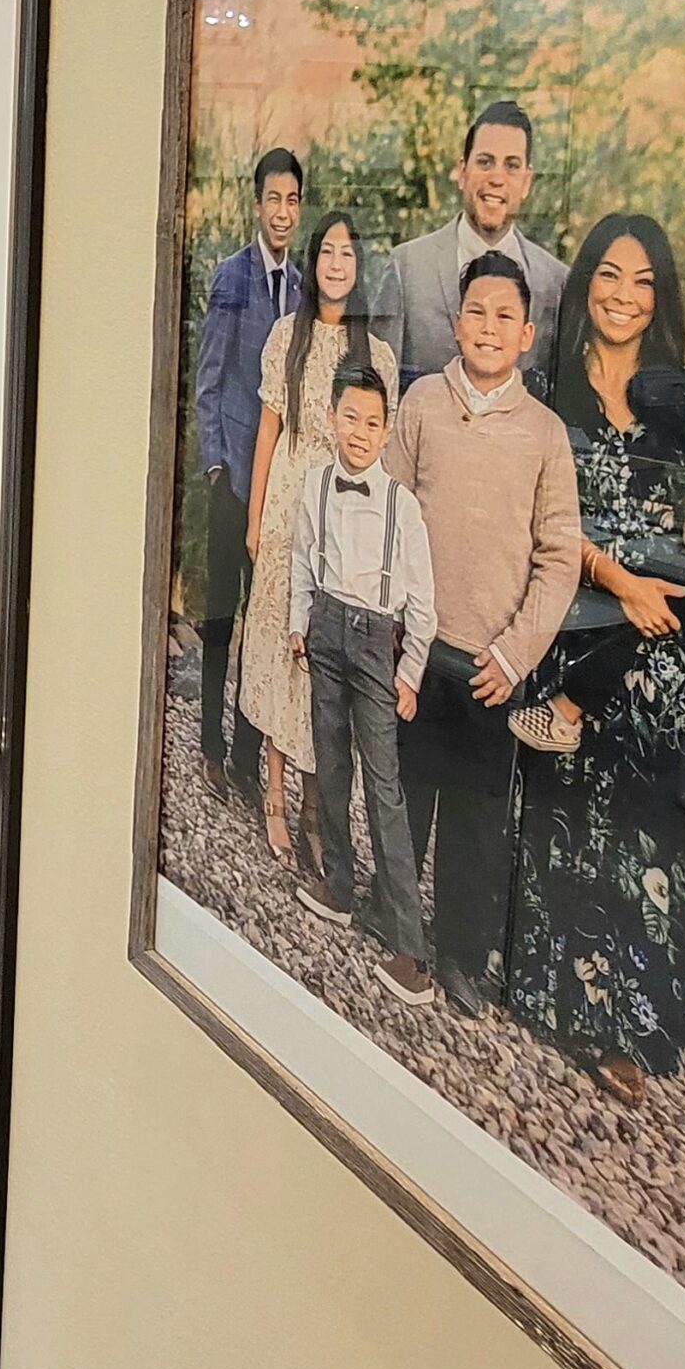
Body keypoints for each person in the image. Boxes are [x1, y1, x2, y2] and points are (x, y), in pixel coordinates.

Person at [505, 215, 685, 1100]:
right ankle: (574, 1005)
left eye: (644, 280)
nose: (624, 294)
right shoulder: (548, 389)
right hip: (585, 614)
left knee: (656, 825)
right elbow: (543, 517)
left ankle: (643, 1017)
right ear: (584, 284)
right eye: (610, 276)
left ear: (662, 296)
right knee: (581, 815)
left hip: (673, 627)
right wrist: (620, 584)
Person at [386, 252, 581, 1017]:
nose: (489, 328)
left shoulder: (545, 434)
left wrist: (514, 652)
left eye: (506, 315)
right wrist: (397, 626)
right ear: (456, 321)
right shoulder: (423, 404)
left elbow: (561, 557)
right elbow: (391, 513)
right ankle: (398, 921)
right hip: (418, 647)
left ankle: (464, 954)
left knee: (474, 815)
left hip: (491, 664)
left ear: (527, 333)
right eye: (477, 312)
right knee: (406, 793)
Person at [236, 213, 398, 873]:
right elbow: (269, 434)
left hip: (345, 527)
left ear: (360, 266)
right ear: (314, 262)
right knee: (280, 656)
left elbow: (380, 458)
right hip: (286, 514)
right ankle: (274, 797)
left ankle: (316, 812)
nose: (337, 262)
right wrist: (255, 520)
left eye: (348, 253)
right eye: (327, 251)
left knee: (323, 667)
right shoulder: (287, 337)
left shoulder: (376, 354)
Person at [287, 365, 437, 1002]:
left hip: (377, 642)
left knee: (384, 786)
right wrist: (299, 623)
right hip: (325, 627)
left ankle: (411, 948)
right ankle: (340, 887)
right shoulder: (316, 487)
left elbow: (423, 605)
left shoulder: (402, 507)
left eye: (373, 423)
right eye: (350, 418)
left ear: (387, 430)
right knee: (329, 764)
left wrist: (410, 673)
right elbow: (301, 558)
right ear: (331, 417)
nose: (360, 433)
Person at [192, 148, 305, 803]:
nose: (282, 212)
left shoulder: (303, 288)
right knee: (221, 620)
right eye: (273, 200)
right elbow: (209, 378)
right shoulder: (233, 277)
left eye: (292, 201)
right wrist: (215, 465)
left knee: (264, 629)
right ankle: (209, 743)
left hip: (279, 488)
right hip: (233, 475)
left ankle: (243, 754)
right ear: (256, 203)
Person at [369, 99, 568, 382]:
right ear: (463, 172)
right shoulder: (408, 269)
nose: (497, 178)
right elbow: (376, 390)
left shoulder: (555, 283)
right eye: (485, 162)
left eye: (511, 166)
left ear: (526, 182)